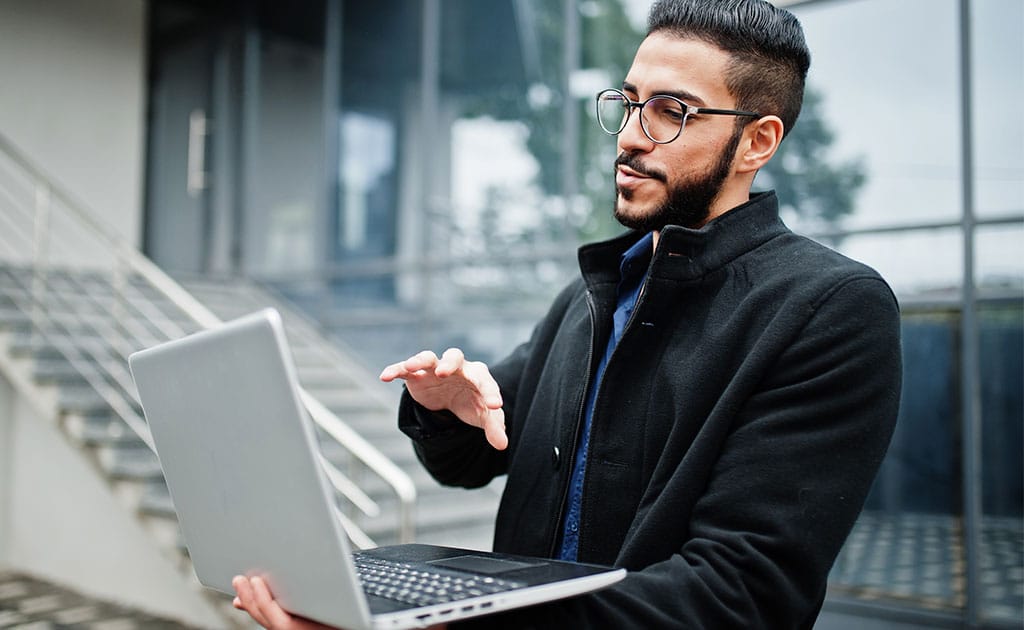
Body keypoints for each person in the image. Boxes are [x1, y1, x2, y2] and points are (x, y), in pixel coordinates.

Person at [233, 0, 902, 627]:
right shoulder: (593, 296)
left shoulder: (830, 309)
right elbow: (470, 461)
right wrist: (444, 406)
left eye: (672, 111)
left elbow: (742, 597)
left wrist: (455, 618)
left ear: (757, 143)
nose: (632, 137)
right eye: (629, 102)